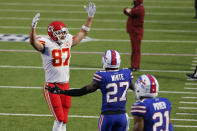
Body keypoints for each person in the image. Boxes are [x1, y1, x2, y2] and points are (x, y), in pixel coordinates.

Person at [29, 2, 96, 131]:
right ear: (52, 34)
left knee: (64, 120)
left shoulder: (67, 40)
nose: (63, 35)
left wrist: (90, 17)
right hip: (52, 86)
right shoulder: (46, 43)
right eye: (60, 33)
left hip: (65, 85)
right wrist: (33, 28)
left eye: (64, 32)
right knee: (59, 118)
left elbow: (82, 33)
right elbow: (33, 42)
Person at [47, 50, 134, 131]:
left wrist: (62, 92)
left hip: (107, 117)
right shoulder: (126, 73)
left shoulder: (102, 76)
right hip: (123, 116)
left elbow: (83, 91)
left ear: (105, 61)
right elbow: (137, 89)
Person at [123, 0, 145, 71]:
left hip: (136, 32)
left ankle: (136, 66)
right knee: (134, 50)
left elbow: (129, 12)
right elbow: (126, 11)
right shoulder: (137, 8)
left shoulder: (140, 9)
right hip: (134, 32)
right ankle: (133, 65)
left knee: (136, 50)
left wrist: (128, 10)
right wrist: (127, 10)